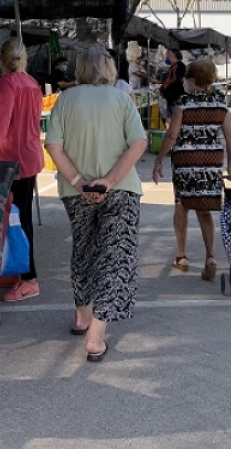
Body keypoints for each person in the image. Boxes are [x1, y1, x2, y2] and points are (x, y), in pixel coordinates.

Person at [44, 45, 146, 361]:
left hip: (76, 192)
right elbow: (138, 143)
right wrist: (109, 180)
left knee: (83, 248)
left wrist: (79, 182)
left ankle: (82, 316)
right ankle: (96, 336)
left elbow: (53, 146)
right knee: (117, 257)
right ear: (108, 69)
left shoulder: (65, 100)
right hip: (121, 188)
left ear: (79, 69)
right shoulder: (121, 99)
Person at [152, 58, 231, 281]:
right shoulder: (220, 104)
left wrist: (159, 160)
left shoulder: (183, 104)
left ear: (191, 80)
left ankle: (181, 257)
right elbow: (230, 137)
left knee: (181, 206)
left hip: (185, 163)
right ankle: (210, 257)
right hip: (211, 164)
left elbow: (172, 135)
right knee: (204, 209)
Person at [0, 38, 45, 302]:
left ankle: (30, 278)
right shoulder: (32, 83)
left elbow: (1, 122)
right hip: (29, 156)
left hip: (9, 159)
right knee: (19, 216)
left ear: (0, 60)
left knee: (16, 218)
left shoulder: (7, 85)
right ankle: (18, 269)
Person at [159, 49, 186, 119]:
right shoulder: (173, 66)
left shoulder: (180, 66)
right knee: (169, 118)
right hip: (170, 98)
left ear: (174, 56)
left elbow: (181, 81)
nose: (167, 57)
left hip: (175, 98)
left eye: (169, 55)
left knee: (175, 117)